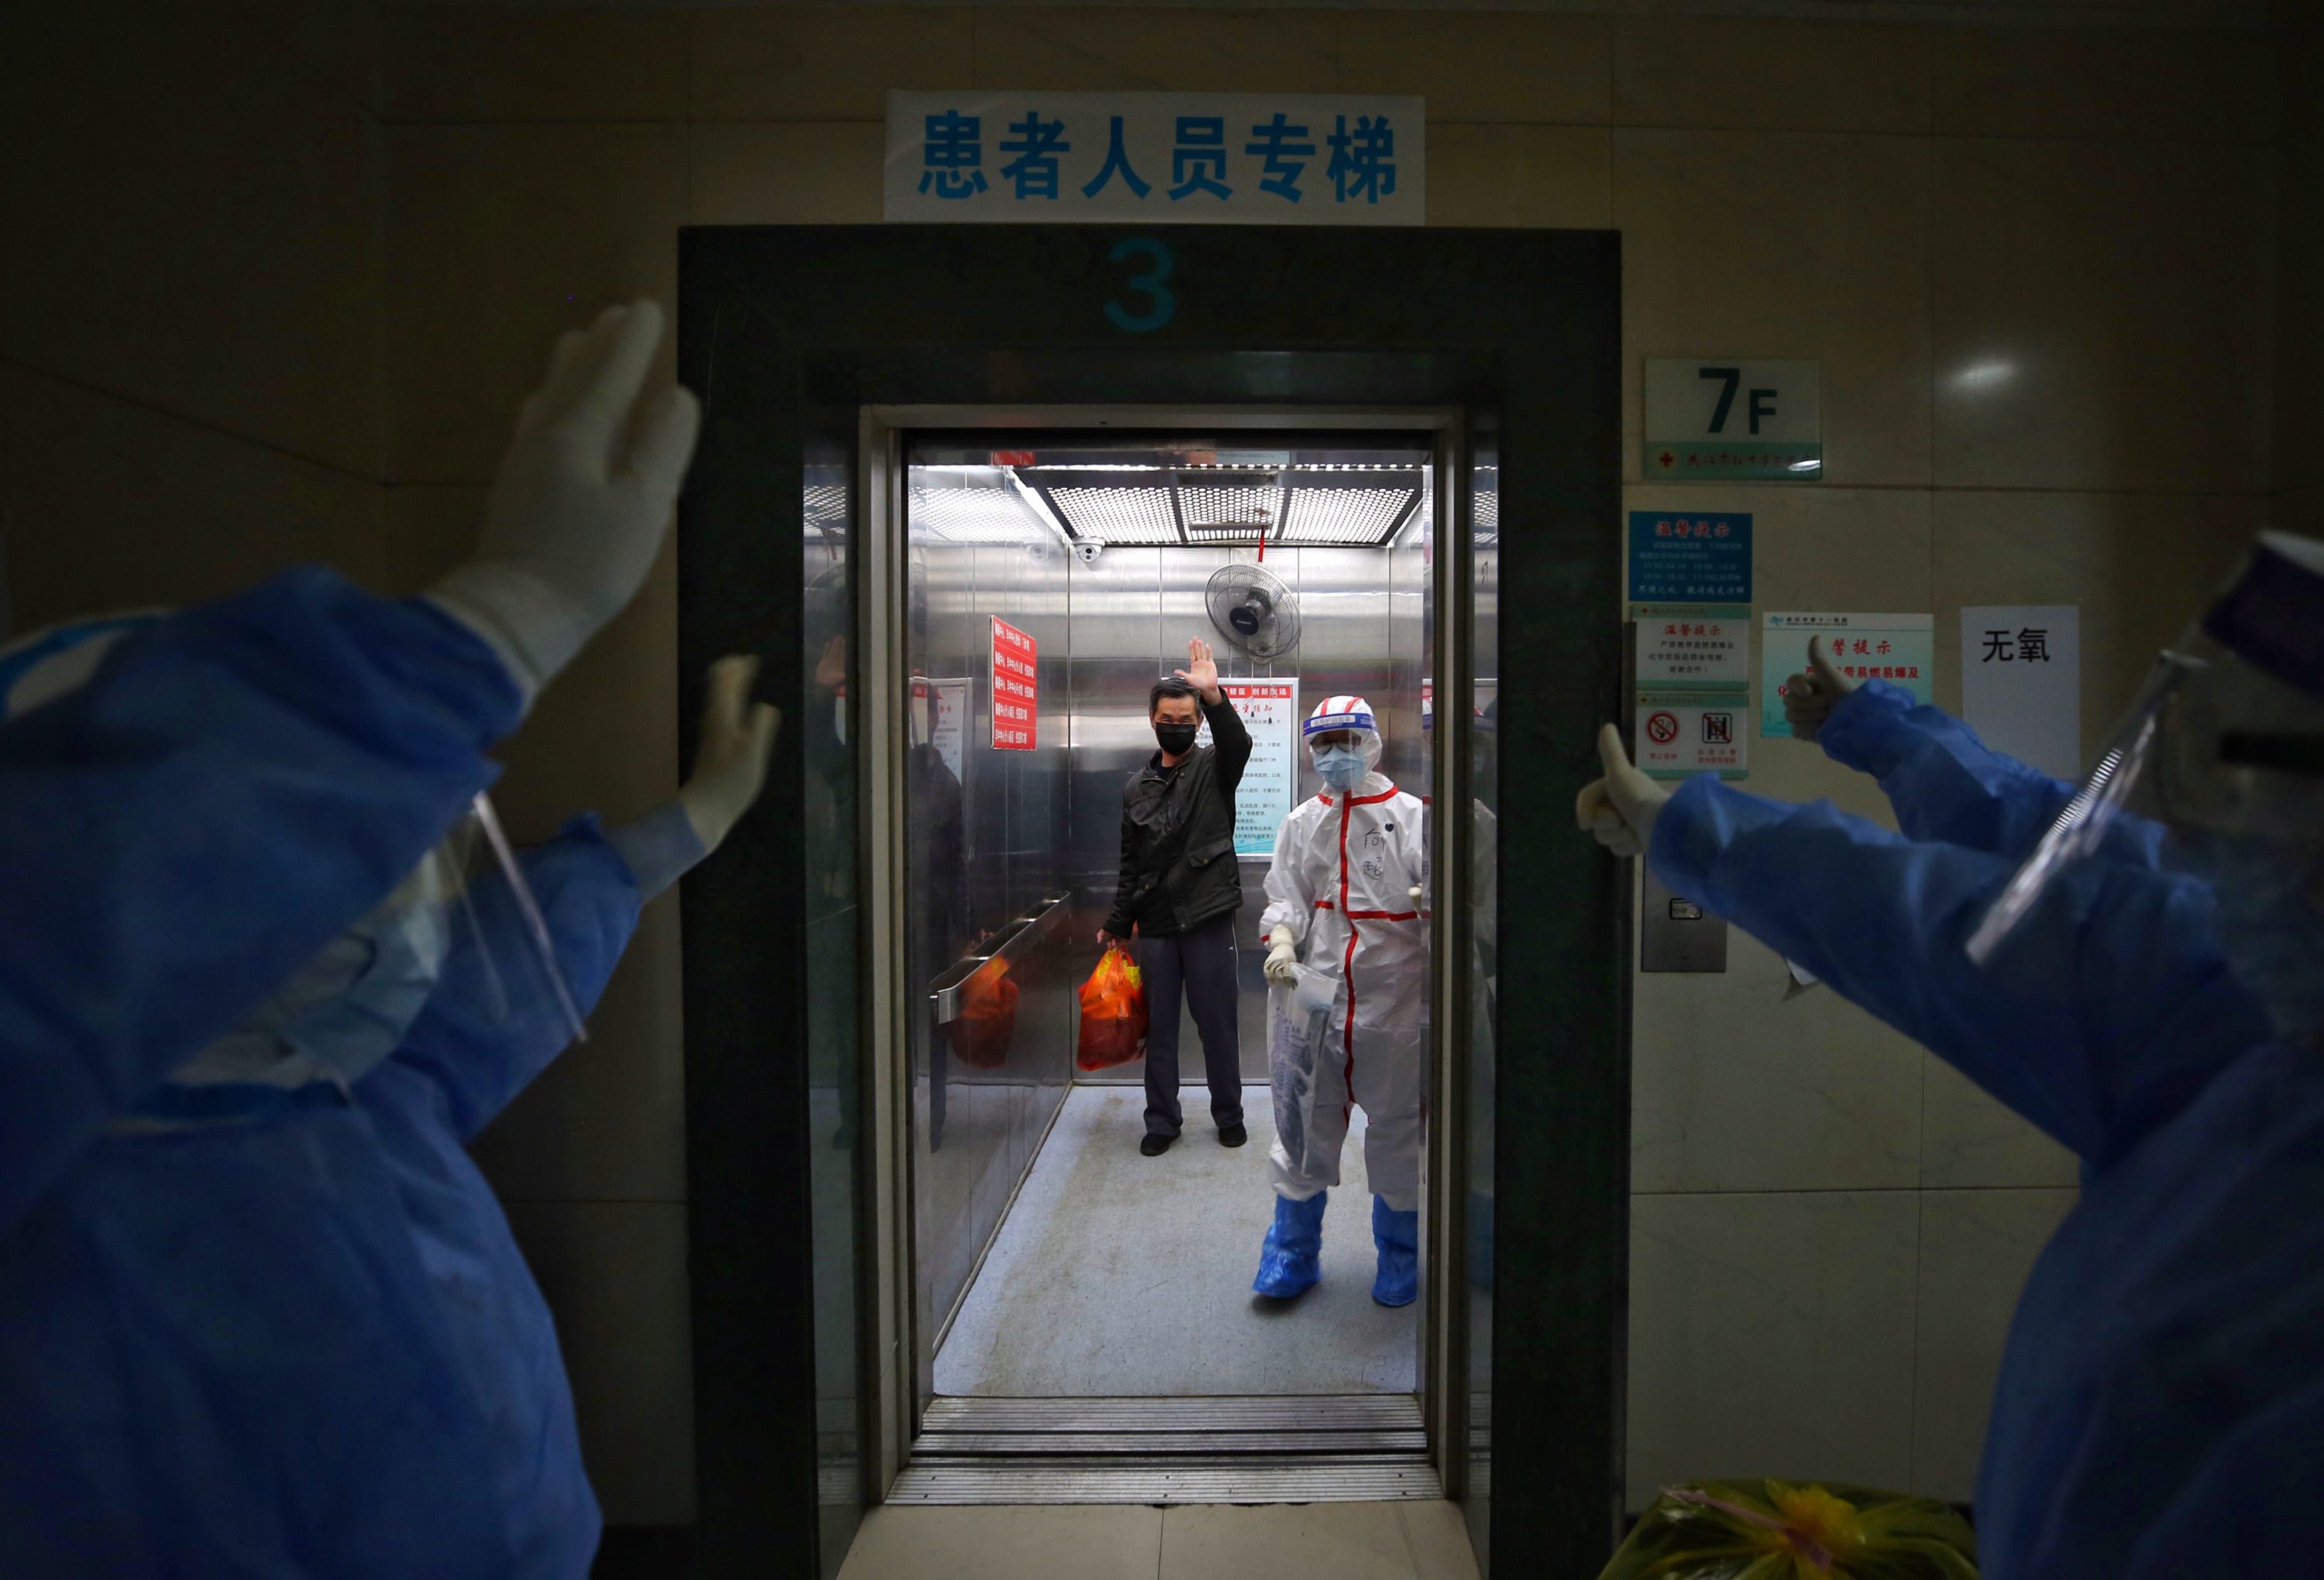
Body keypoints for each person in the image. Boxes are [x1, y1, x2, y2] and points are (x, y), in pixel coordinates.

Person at [0, 303, 777, 1577]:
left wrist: (662, 843)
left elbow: (469, 1012)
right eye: (312, 863)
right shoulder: (71, 1206)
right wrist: (475, 639)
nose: (393, 918)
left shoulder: (334, 1108)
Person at [1577, 532, 2324, 1580]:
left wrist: (1701, 831)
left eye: (2286, 821)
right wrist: (1878, 738)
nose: (2251, 859)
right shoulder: (2261, 1030)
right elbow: (2049, 891)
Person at [1253, 696, 1430, 1307]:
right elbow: (1286, 894)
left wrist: (1431, 900)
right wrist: (1280, 936)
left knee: (1398, 1130)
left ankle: (1401, 1259)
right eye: (1323, 745)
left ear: (1373, 743)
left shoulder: (1412, 817)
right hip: (1315, 999)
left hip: (1395, 1003)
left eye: (1346, 743)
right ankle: (1291, 1255)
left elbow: (1447, 909)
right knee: (1303, 1123)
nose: (1334, 756)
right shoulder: (1302, 822)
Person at [1098, 638, 1252, 1156]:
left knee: (1218, 1026)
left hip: (1207, 916)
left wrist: (1215, 697)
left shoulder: (1214, 768)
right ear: (1153, 719)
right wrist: (1119, 922)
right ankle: (1162, 1120)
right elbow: (1130, 862)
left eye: (1186, 717)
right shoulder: (1136, 787)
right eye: (1168, 716)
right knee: (1159, 1031)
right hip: (1158, 925)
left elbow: (1240, 745)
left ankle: (1228, 1114)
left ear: (1198, 721)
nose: (1177, 724)